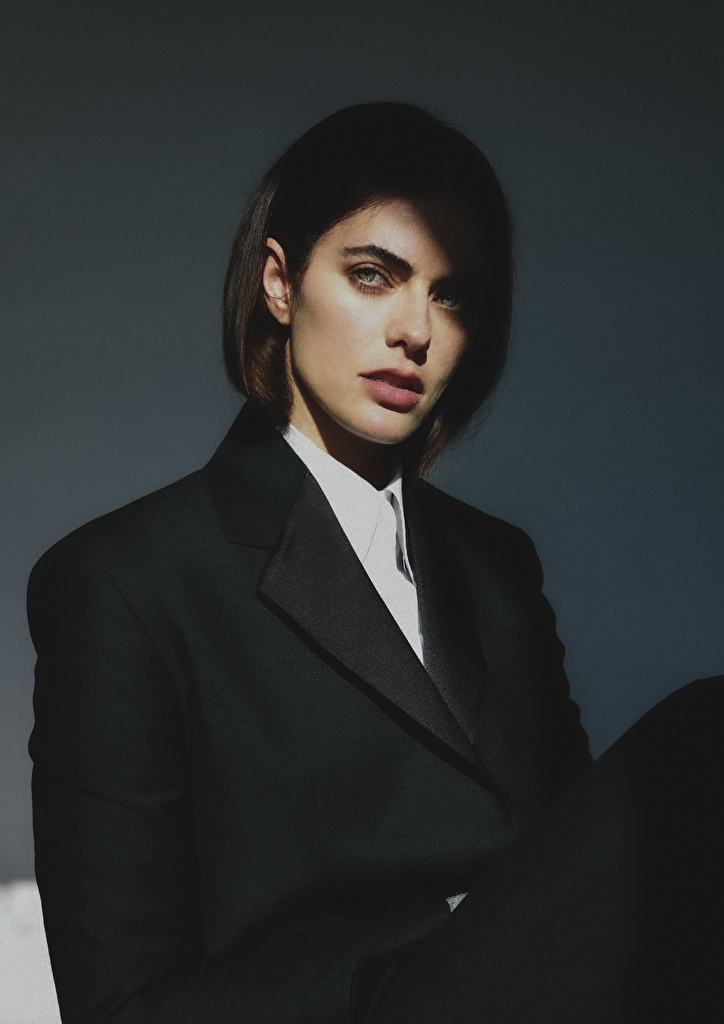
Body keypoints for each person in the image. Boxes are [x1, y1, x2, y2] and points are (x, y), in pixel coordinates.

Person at [28, 103, 722, 1024]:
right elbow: (123, 1009)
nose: (415, 331)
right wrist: (455, 927)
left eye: (453, 296)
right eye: (372, 275)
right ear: (280, 283)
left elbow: (578, 870)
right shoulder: (126, 583)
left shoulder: (498, 568)